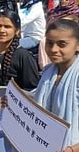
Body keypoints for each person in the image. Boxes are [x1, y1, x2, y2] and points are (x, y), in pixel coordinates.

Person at [34, 19, 79, 151]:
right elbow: (40, 99)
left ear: (77, 45)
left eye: (62, 44)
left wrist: (72, 149)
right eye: (49, 43)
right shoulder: (48, 71)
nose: (53, 49)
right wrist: (13, 101)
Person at [0, 10, 39, 90]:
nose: (2, 30)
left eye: (7, 27)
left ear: (17, 31)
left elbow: (32, 90)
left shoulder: (23, 56)